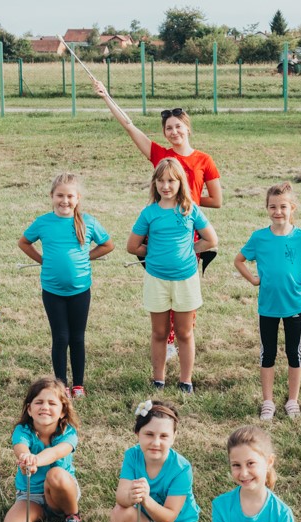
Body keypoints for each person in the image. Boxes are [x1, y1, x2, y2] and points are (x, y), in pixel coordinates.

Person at [90, 84, 223, 358]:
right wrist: (106, 97)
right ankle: (169, 341)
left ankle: (184, 337)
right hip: (160, 233)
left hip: (189, 232)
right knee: (163, 290)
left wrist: (188, 202)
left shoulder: (204, 160)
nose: (174, 132)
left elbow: (216, 199)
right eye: (168, 128)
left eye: (178, 126)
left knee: (185, 291)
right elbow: (130, 127)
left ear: (188, 128)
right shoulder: (161, 156)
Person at [234, 182, 301, 420]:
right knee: (268, 353)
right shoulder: (259, 238)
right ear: (267, 208)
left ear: (292, 208)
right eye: (272, 207)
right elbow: (239, 260)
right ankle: (268, 401)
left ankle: (292, 400)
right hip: (267, 306)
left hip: (293, 306)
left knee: (293, 353)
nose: (278, 211)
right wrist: (254, 280)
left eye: (283, 206)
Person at [18, 173, 114, 399]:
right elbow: (24, 242)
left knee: (77, 337)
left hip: (80, 290)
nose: (65, 201)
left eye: (70, 196)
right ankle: (61, 384)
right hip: (52, 291)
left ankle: (78, 384)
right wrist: (42, 260)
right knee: (60, 337)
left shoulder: (88, 222)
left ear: (78, 198)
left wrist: (86, 257)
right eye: (59, 195)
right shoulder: (43, 222)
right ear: (52, 196)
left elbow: (107, 244)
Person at [126, 159, 218, 394]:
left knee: (185, 332)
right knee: (159, 332)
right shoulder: (149, 213)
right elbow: (132, 246)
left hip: (185, 279)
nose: (166, 186)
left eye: (171, 181)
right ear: (154, 183)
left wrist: (190, 251)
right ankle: (159, 378)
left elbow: (211, 240)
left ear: (180, 183)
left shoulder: (190, 209)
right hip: (157, 280)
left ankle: (186, 380)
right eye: (161, 181)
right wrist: (153, 254)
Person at [1, 377, 82, 522]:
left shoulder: (69, 433)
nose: (45, 407)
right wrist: (25, 458)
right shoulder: (22, 430)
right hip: (31, 495)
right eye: (39, 402)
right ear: (29, 409)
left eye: (52, 404)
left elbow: (54, 453)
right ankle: (40, 515)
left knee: (55, 474)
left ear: (63, 412)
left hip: (61, 491)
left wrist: (35, 460)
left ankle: (72, 515)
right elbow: (21, 448)